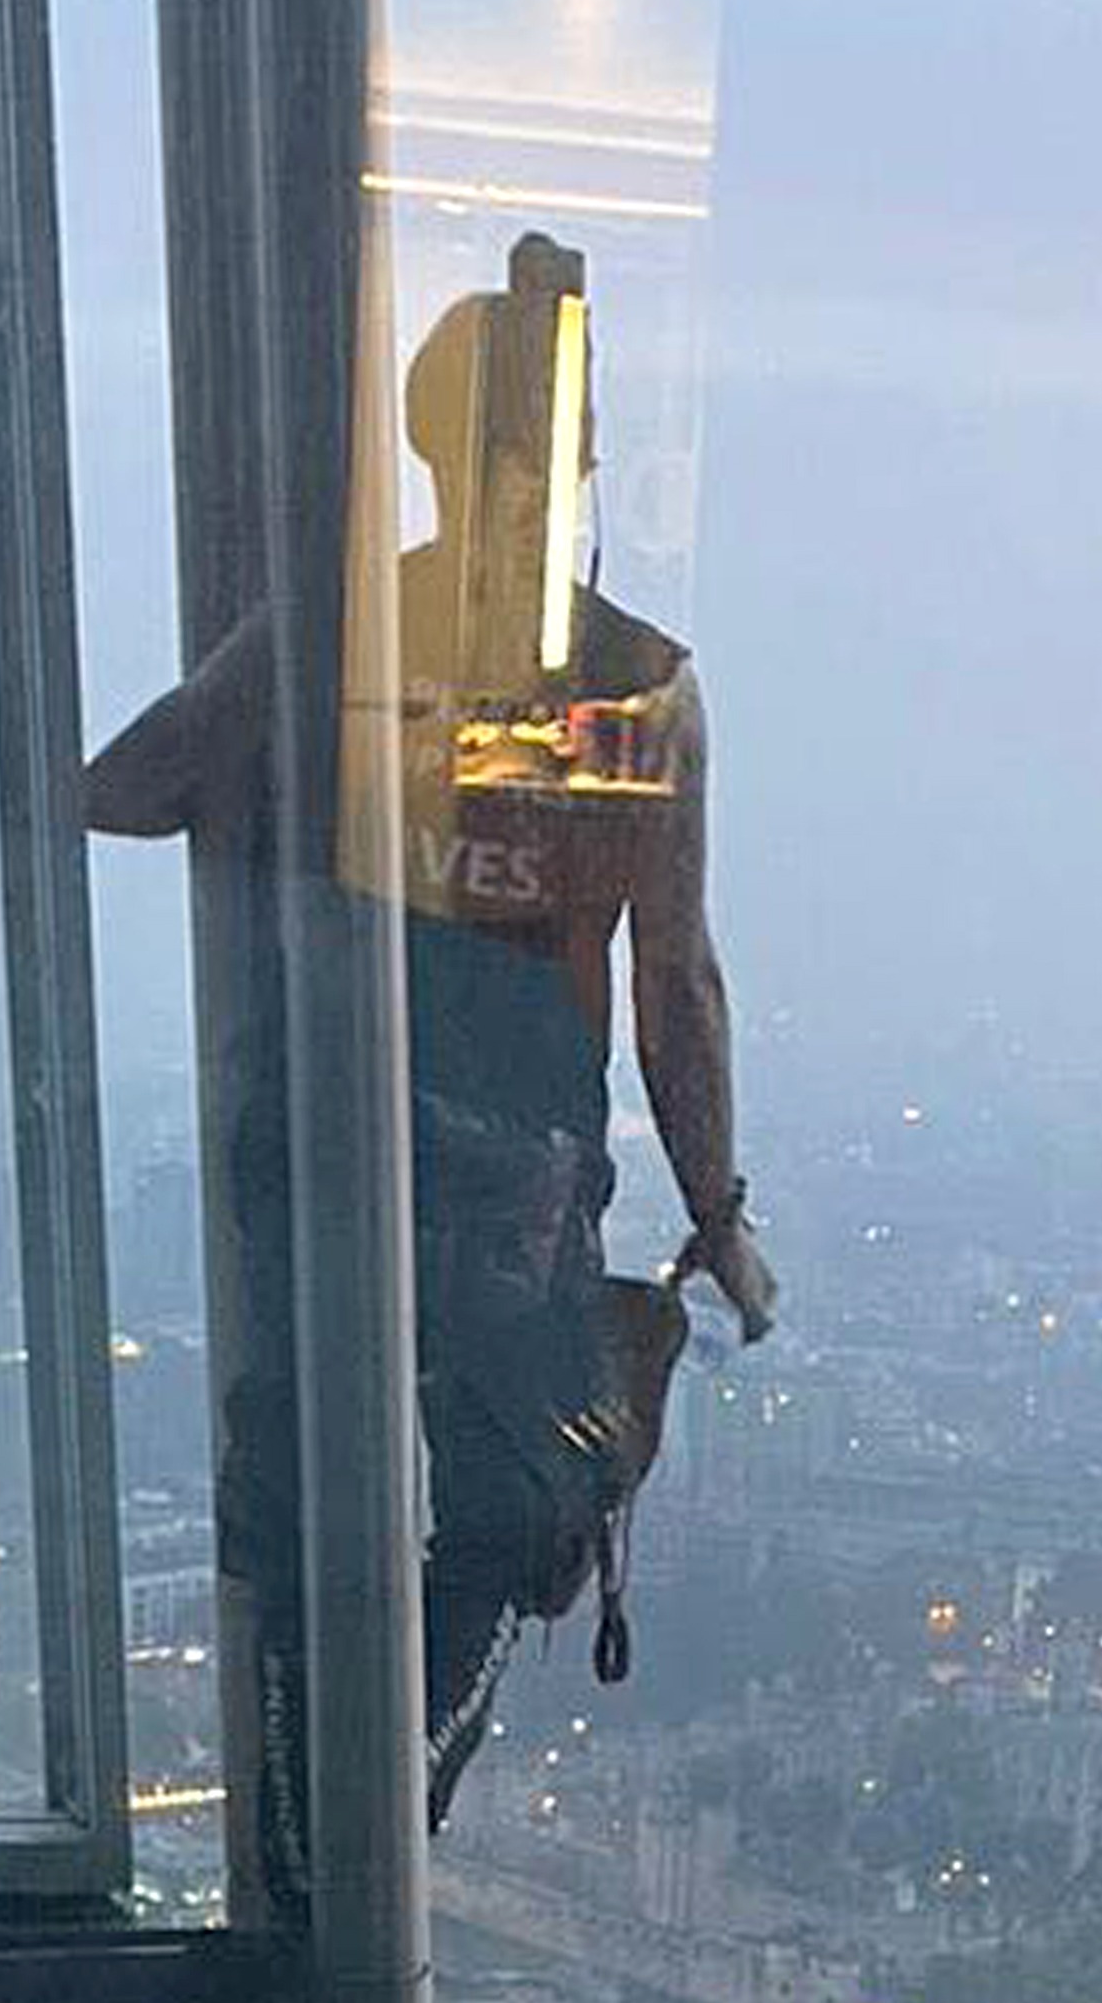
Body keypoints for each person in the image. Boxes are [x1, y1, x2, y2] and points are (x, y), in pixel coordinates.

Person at [85, 234, 775, 1913]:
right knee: (491, 1501)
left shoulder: (355, 635)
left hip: (341, 1129)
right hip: (492, 1171)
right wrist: (719, 1211)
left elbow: (128, 784)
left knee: (326, 1472)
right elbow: (669, 976)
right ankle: (362, 1837)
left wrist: (322, 728)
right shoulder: (627, 683)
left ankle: (320, 1832)